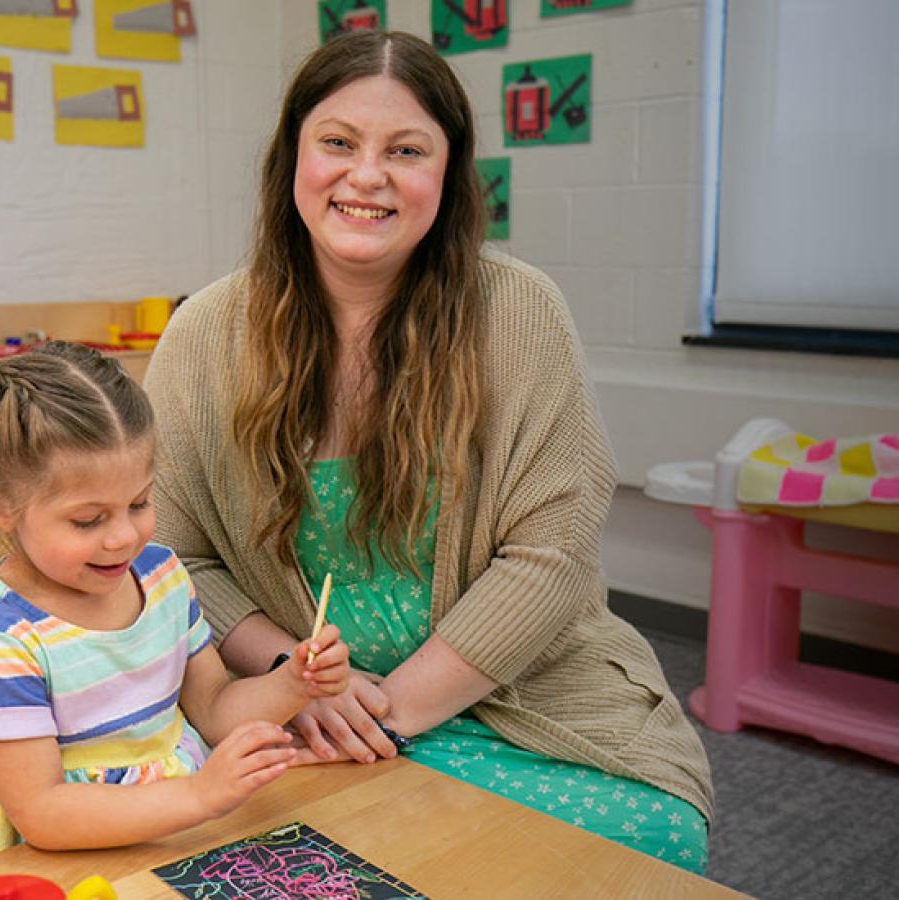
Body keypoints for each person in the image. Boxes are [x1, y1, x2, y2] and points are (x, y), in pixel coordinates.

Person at [144, 31, 714, 872]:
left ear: (447, 176)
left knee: (649, 846)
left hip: (512, 704)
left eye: (405, 150)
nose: (366, 176)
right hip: (299, 712)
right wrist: (295, 682)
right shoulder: (204, 334)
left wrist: (386, 713)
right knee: (253, 861)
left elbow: (549, 559)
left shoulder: (519, 312)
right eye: (336, 142)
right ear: (291, 159)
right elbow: (171, 555)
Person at [0, 341, 351, 868]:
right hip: (53, 862)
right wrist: (200, 796)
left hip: (175, 834)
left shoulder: (161, 576)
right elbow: (44, 813)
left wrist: (292, 683)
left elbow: (215, 708)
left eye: (139, 503)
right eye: (88, 520)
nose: (123, 538)